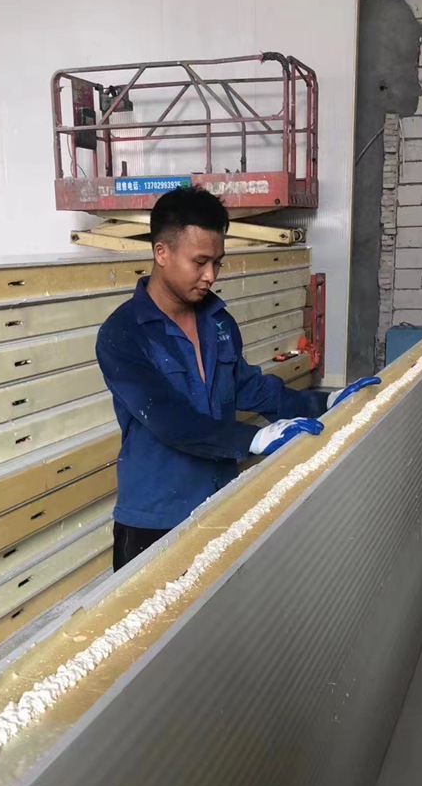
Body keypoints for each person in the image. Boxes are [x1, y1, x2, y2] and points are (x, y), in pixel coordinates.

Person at [97, 185, 379, 571]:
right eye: (200, 262)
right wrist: (255, 439)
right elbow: (170, 421)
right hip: (157, 519)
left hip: (222, 504)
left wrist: (326, 401)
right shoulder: (123, 334)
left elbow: (252, 389)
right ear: (161, 252)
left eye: (217, 263)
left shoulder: (218, 322)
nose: (210, 276)